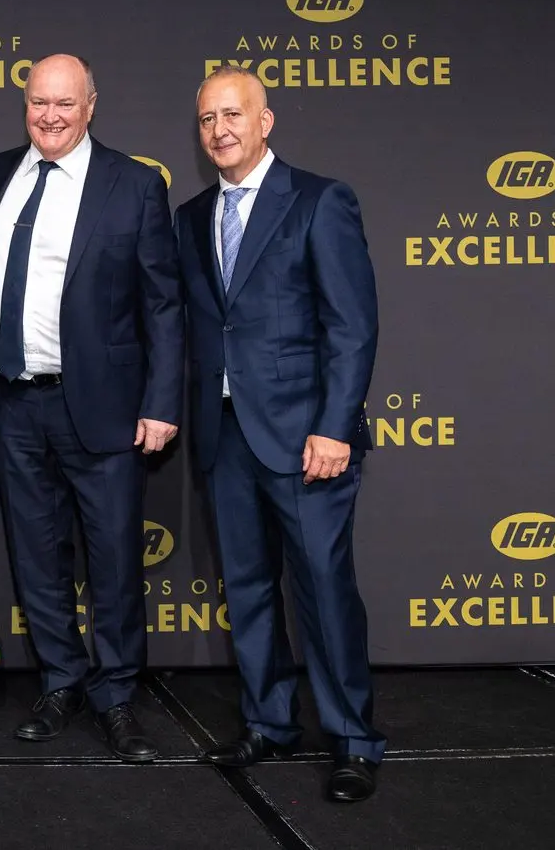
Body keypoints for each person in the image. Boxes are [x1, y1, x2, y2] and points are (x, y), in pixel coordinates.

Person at [0, 54, 185, 762]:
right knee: (37, 556)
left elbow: (162, 304)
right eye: (36, 103)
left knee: (112, 559)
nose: (48, 116)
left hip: (106, 410)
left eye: (63, 103)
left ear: (90, 106)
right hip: (13, 404)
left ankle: (116, 697)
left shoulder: (133, 183)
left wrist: (161, 400)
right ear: (24, 105)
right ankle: (59, 681)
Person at [176, 66, 384, 802]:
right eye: (206, 119)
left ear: (266, 121)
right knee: (250, 589)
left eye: (233, 115)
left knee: (323, 590)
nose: (219, 129)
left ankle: (353, 738)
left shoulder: (319, 200)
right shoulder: (191, 215)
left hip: (305, 437)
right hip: (224, 434)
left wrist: (334, 426)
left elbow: (351, 327)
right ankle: (268, 720)